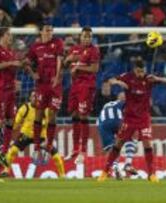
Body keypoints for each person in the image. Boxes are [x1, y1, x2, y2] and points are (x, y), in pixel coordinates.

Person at [98, 59, 166, 182]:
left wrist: (158, 79)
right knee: (118, 144)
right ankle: (105, 171)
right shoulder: (127, 77)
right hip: (129, 118)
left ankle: (152, 174)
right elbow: (110, 79)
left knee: (147, 144)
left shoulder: (149, 78)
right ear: (134, 70)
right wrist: (119, 83)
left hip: (144, 118)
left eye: (142, 71)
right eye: (138, 71)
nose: (141, 74)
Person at [25, 24, 64, 165]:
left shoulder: (57, 43)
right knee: (39, 113)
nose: (49, 33)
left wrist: (58, 76)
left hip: (55, 85)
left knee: (52, 115)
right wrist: (32, 73)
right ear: (41, 31)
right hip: (41, 85)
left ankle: (48, 146)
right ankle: (36, 147)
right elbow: (27, 62)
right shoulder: (35, 47)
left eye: (51, 30)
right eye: (46, 30)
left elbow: (60, 60)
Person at [0, 27, 23, 182]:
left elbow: (12, 67)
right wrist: (10, 63)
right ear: (2, 36)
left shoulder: (10, 52)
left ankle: (4, 151)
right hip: (0, 90)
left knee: (10, 121)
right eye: (9, 34)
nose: (11, 37)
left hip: (10, 91)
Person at [3, 91, 65, 178]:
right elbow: (15, 125)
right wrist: (8, 123)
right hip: (26, 134)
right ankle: (6, 170)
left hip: (41, 136)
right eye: (33, 96)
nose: (35, 98)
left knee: (56, 156)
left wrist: (48, 140)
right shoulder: (24, 108)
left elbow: (49, 126)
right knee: (13, 150)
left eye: (37, 96)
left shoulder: (46, 110)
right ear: (29, 98)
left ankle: (62, 175)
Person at [64, 26, 100, 162]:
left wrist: (78, 67)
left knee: (83, 115)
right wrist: (68, 60)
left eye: (89, 36)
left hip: (87, 86)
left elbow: (94, 68)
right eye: (85, 36)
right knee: (74, 115)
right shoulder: (74, 49)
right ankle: (74, 149)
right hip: (75, 86)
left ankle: (83, 151)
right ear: (80, 37)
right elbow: (67, 66)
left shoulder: (94, 50)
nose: (87, 39)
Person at [97, 92, 138, 179]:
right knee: (130, 138)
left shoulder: (107, 104)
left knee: (113, 148)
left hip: (101, 124)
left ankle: (115, 167)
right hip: (116, 120)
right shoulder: (123, 103)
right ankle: (128, 164)